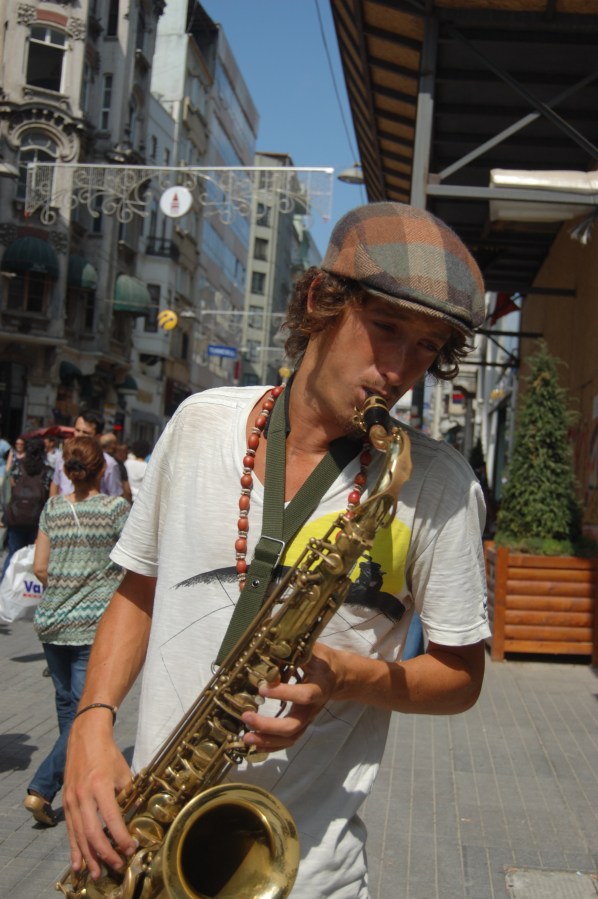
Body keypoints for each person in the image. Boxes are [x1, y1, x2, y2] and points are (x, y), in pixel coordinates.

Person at [63, 202, 491, 898]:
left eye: (428, 347)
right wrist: (91, 723)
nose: (400, 368)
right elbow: (137, 590)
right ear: (323, 301)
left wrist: (345, 677)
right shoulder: (201, 423)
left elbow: (461, 676)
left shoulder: (437, 484)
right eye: (385, 328)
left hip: (304, 866)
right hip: (141, 837)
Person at [23, 437, 129, 827]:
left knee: (69, 707)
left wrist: (65, 585)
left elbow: (39, 568)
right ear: (103, 469)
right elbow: (133, 563)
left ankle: (70, 778)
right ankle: (42, 787)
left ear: (66, 470)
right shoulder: (117, 510)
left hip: (52, 621)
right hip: (92, 626)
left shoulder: (52, 508)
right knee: (89, 713)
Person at [1, 437, 52, 579]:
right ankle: (26, 590)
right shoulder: (48, 471)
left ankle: (5, 586)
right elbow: (49, 497)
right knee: (33, 557)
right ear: (43, 451)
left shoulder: (18, 467)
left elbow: (10, 491)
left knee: (13, 554)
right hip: (37, 521)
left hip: (16, 518)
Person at [50, 411, 123, 498]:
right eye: (77, 430)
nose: (79, 435)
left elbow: (115, 495)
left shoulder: (109, 464)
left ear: (98, 436)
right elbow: (55, 484)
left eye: (86, 433)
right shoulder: (63, 456)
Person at [100, 433, 132, 504]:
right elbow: (126, 490)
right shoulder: (115, 463)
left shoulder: (92, 458)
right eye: (116, 443)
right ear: (112, 446)